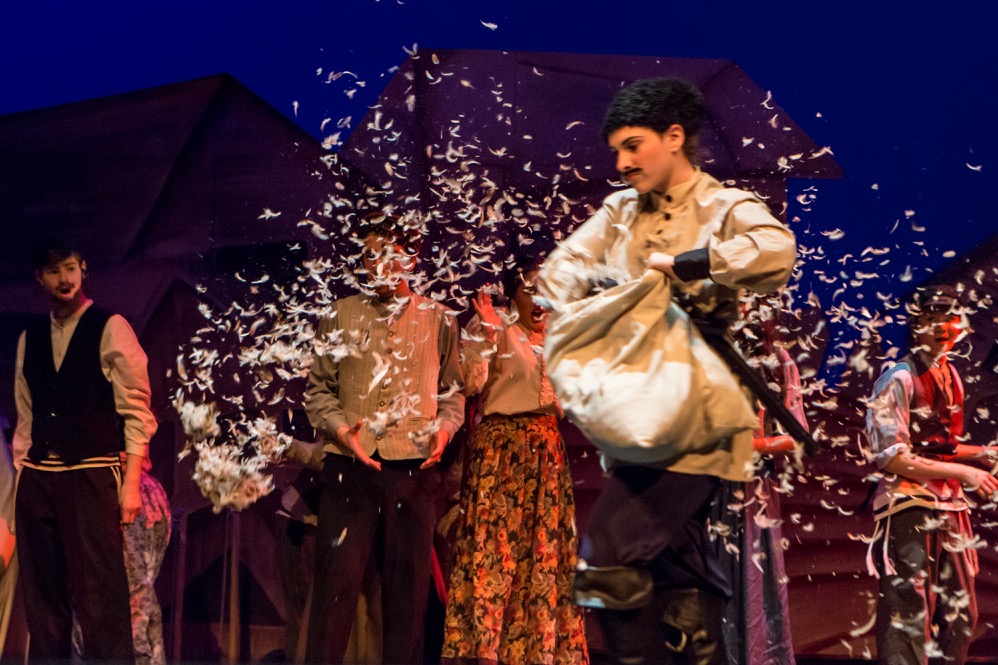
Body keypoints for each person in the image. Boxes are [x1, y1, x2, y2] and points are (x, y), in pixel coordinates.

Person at [537, 77, 797, 665]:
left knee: (607, 560)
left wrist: (689, 263)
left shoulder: (723, 205)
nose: (622, 163)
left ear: (674, 137)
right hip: (636, 415)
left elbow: (776, 250)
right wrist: (615, 286)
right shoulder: (619, 211)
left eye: (633, 146)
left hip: (696, 414)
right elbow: (559, 272)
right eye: (616, 151)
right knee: (680, 587)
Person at [303, 214, 465, 664]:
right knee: (335, 591)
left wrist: (445, 430)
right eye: (371, 255)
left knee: (407, 596)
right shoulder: (339, 314)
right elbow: (318, 391)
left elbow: (453, 392)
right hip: (349, 469)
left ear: (411, 258)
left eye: (391, 255)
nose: (381, 265)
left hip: (414, 469)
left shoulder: (439, 319)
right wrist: (342, 431)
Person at [12, 237, 157, 660]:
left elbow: (136, 410)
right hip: (39, 477)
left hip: (91, 474)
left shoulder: (109, 326)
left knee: (100, 596)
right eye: (54, 270)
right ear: (40, 278)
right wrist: (21, 484)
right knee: (43, 601)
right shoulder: (30, 337)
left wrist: (130, 484)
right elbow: (26, 415)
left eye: (71, 268)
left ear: (83, 270)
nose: (64, 278)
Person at [440, 256, 589, 665]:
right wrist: (487, 334)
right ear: (513, 294)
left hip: (547, 453)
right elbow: (469, 383)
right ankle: (484, 651)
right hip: (502, 452)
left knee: (542, 553)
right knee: (496, 551)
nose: (540, 300)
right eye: (530, 290)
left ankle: (537, 651)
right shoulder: (497, 326)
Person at [865, 284, 998, 665]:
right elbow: (891, 457)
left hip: (949, 504)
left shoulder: (950, 374)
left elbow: (939, 445)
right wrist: (965, 473)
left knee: (960, 611)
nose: (943, 326)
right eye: (932, 318)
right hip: (909, 504)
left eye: (951, 317)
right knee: (909, 612)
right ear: (917, 324)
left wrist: (983, 454)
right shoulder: (899, 378)